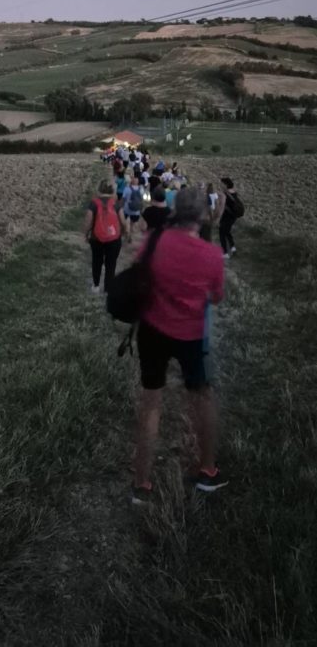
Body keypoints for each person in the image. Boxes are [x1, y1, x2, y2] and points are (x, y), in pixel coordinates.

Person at [131, 187, 226, 504]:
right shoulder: (211, 255)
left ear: (174, 211)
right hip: (191, 335)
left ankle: (142, 484)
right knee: (202, 397)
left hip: (152, 330)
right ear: (201, 216)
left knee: (151, 403)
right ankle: (208, 471)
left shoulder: (154, 242)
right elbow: (215, 297)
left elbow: (139, 275)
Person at [84, 179, 127, 294]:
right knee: (111, 263)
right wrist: (124, 232)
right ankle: (108, 288)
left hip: (96, 238)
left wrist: (85, 234)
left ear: (99, 189)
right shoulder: (116, 204)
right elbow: (123, 221)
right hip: (114, 239)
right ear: (112, 190)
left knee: (96, 261)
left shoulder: (93, 203)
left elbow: (88, 220)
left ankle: (96, 285)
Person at [219, 177, 242, 259]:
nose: (220, 185)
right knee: (227, 231)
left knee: (222, 233)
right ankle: (233, 248)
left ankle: (225, 253)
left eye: (221, 184)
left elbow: (222, 207)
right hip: (233, 216)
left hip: (226, 216)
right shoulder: (234, 191)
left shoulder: (224, 194)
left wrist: (218, 217)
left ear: (225, 184)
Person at [124, 176, 143, 242]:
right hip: (136, 210)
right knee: (132, 223)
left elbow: (124, 198)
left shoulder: (127, 188)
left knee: (127, 221)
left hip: (127, 209)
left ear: (131, 181)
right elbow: (141, 199)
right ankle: (131, 234)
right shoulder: (141, 189)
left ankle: (127, 232)